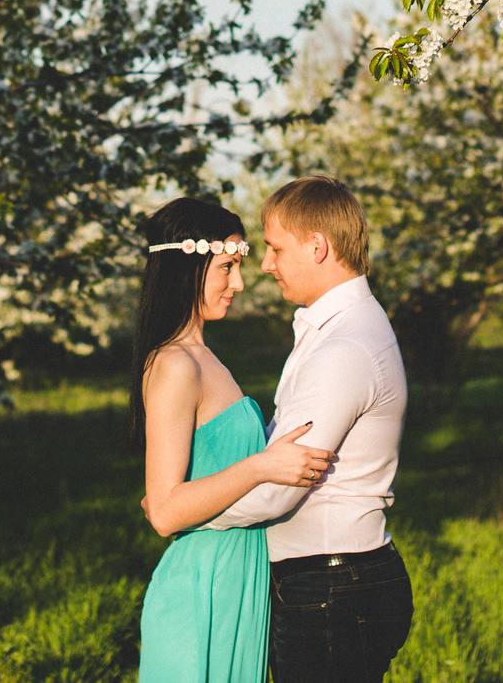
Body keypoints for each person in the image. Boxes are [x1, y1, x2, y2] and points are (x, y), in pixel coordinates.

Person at [206, 175, 412, 683]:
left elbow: (281, 486)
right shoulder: (343, 329)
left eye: (275, 248)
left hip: (331, 587)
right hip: (334, 582)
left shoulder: (346, 347)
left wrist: (187, 511)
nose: (267, 264)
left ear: (318, 246)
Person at [133, 196, 336, 683]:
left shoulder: (208, 360)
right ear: (187, 269)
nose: (239, 284)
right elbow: (162, 511)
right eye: (227, 267)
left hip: (239, 578)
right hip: (202, 585)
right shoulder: (175, 365)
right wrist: (261, 466)